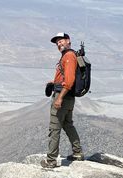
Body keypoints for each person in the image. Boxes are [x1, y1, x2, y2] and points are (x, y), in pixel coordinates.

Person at [40, 32, 84, 168]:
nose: (59, 44)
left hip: (63, 98)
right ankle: (77, 152)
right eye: (57, 42)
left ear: (68, 41)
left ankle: (51, 160)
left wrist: (59, 98)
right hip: (67, 97)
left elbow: (69, 81)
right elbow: (65, 78)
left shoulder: (69, 56)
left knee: (55, 128)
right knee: (68, 124)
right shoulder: (67, 56)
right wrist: (54, 82)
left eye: (61, 41)